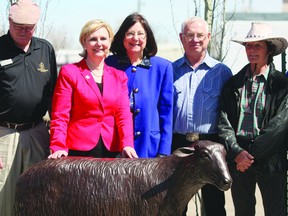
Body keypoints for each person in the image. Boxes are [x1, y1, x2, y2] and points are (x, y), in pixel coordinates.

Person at [218, 22, 288, 216]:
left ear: (270, 49)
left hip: (271, 160)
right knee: (242, 211)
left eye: (258, 45)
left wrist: (250, 155)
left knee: (276, 211)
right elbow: (223, 122)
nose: (252, 50)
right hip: (239, 160)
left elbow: (280, 125)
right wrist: (237, 152)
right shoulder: (232, 84)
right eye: (249, 45)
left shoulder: (282, 84)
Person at [48, 19, 138, 159]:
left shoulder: (119, 76)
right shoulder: (70, 72)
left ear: (109, 42)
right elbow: (60, 115)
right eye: (93, 39)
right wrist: (58, 146)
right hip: (78, 151)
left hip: (111, 151)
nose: (99, 43)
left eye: (103, 38)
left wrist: (127, 144)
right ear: (84, 42)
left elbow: (123, 116)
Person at [0, 0, 57, 215]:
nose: (24, 31)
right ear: (9, 21)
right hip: (4, 135)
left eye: (29, 27)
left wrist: (57, 137)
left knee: (38, 197)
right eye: (19, 27)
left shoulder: (45, 48)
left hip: (37, 132)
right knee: (4, 198)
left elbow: (53, 95)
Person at [172, 17, 232, 216]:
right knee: (176, 203)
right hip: (178, 144)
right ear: (182, 38)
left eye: (200, 35)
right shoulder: (169, 71)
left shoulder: (222, 72)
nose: (195, 39)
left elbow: (228, 113)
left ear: (208, 37)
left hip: (211, 144)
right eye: (190, 35)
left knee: (214, 204)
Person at [105, 12, 173, 158]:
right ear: (122, 37)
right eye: (130, 33)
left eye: (141, 34)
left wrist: (164, 151)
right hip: (114, 146)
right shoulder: (108, 65)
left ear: (147, 38)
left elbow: (166, 113)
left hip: (149, 147)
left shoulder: (162, 67)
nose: (135, 38)